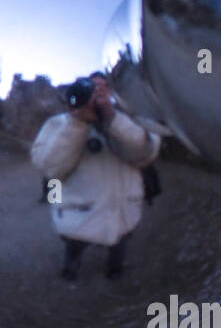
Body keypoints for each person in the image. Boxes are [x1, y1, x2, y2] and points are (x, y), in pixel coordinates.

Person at [30, 73, 161, 281]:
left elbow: (144, 154)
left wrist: (113, 119)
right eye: (90, 89)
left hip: (124, 211)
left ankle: (114, 271)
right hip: (78, 213)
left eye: (102, 90)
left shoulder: (132, 119)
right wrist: (78, 123)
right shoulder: (58, 124)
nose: (95, 95)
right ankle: (71, 268)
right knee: (74, 245)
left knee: (120, 243)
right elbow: (50, 168)